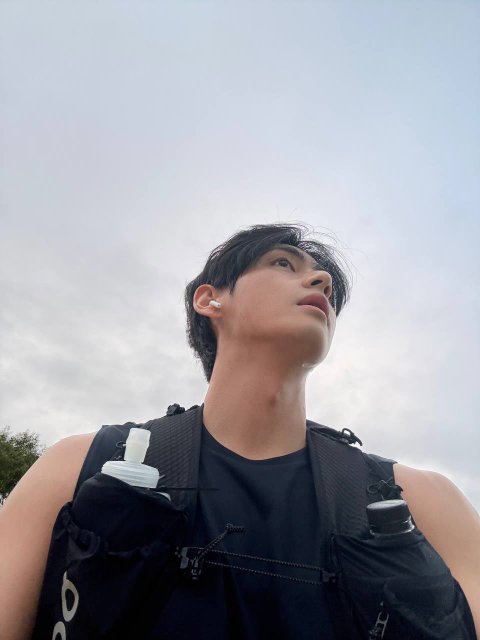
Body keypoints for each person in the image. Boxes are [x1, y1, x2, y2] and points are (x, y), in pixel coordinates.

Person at [1, 222, 479, 639]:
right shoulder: (79, 466)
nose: (321, 281)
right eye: (283, 263)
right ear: (210, 299)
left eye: (326, 283)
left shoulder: (426, 502)